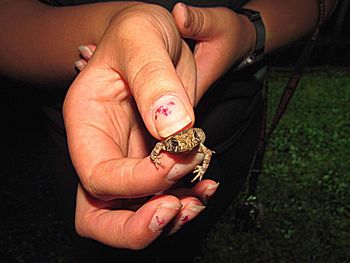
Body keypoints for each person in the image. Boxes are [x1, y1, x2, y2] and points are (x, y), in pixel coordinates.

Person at [0, 0, 337, 262]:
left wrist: (251, 31)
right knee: (105, 242)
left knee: (186, 229)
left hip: (231, 116)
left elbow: (200, 148)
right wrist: (118, 29)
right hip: (95, 130)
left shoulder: (195, 140)